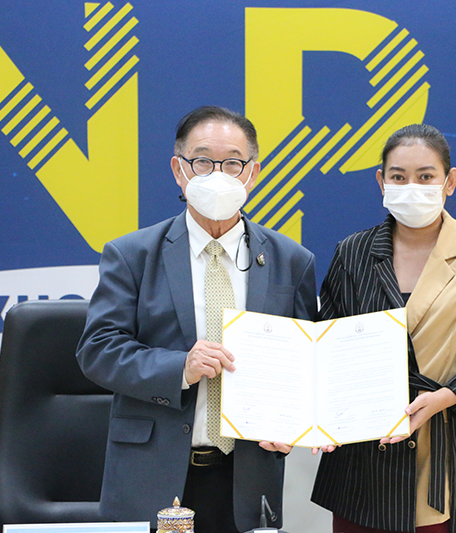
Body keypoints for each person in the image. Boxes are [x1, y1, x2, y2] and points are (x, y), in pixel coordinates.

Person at [76, 105, 317, 533]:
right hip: (152, 473)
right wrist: (179, 368)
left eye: (233, 163)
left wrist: (294, 424)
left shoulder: (291, 261)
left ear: (253, 173)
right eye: (203, 161)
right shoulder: (132, 255)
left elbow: (304, 364)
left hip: (247, 477)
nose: (218, 175)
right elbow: (98, 350)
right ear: (178, 170)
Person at [310, 124, 456, 533]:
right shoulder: (352, 252)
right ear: (381, 182)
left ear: (450, 181)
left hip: (447, 452)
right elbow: (328, 343)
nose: (412, 187)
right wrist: (324, 412)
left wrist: (445, 397)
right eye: (399, 177)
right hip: (363, 456)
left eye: (426, 176)